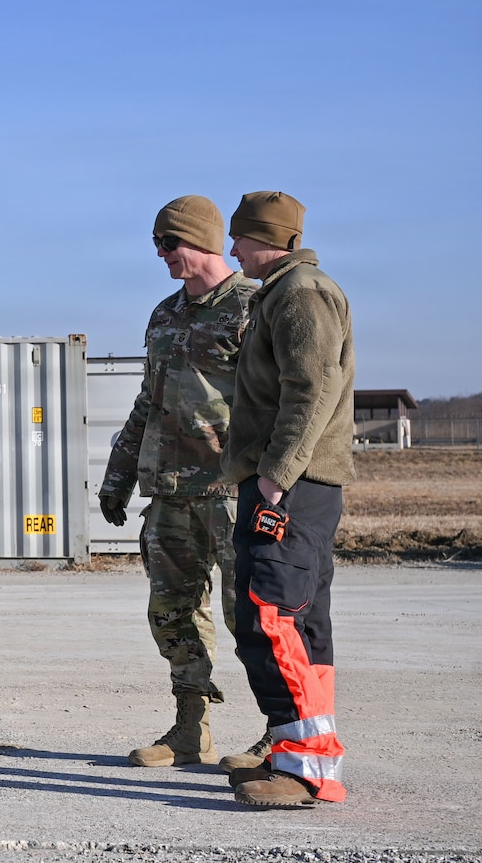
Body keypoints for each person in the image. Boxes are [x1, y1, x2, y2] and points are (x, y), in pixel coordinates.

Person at [99, 195, 266, 771]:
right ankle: (191, 729)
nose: (162, 254)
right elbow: (148, 400)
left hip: (234, 491)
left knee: (254, 617)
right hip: (170, 492)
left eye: (169, 243)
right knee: (173, 614)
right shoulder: (165, 314)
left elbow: (280, 403)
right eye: (157, 244)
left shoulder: (253, 306)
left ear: (203, 240)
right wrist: (118, 476)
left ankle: (283, 734)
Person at [220, 191, 353, 807]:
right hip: (291, 482)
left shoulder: (301, 293)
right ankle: (303, 756)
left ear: (271, 239)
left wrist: (277, 473)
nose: (232, 250)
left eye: (241, 238)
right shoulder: (281, 292)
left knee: (272, 618)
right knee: (299, 622)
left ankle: (304, 771)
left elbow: (313, 387)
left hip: (291, 485)